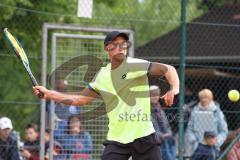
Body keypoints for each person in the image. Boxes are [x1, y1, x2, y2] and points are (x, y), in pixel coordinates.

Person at [33, 31, 179, 160]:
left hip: (144, 136)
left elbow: (168, 69)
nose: (120, 47)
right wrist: (49, 94)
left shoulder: (135, 65)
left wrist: (174, 88)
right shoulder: (102, 76)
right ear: (107, 49)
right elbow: (80, 99)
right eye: (114, 44)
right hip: (117, 139)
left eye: (123, 44)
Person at [186, 89, 228, 156]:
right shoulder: (194, 111)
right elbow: (190, 129)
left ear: (211, 98)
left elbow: (224, 131)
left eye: (206, 97)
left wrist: (216, 141)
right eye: (201, 98)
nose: (203, 100)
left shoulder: (217, 112)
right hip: (197, 148)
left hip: (212, 148)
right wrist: (194, 142)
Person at [150, 85, 176, 160]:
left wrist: (169, 133)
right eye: (152, 95)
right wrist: (161, 136)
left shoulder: (159, 108)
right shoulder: (146, 110)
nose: (155, 97)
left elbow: (166, 124)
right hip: (156, 141)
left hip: (166, 139)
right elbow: (149, 128)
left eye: (157, 95)